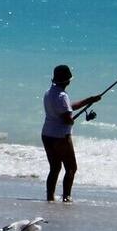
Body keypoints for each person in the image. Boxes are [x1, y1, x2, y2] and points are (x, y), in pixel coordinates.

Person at [40, 64, 101, 203]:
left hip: (47, 134)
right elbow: (67, 119)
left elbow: (69, 107)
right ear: (67, 80)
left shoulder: (49, 92)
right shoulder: (62, 96)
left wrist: (89, 100)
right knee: (71, 168)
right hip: (61, 137)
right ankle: (66, 197)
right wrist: (73, 121)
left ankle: (50, 197)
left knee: (55, 168)